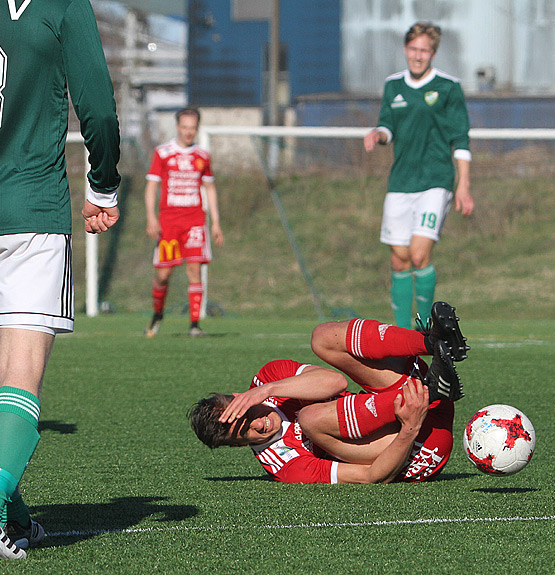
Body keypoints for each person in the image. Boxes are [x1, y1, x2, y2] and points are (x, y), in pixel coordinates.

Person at [0, 0, 121, 559]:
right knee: (19, 374)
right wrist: (103, 185)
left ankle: (12, 518)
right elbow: (96, 104)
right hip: (29, 211)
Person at [189, 302, 469, 483]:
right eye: (245, 432)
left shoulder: (268, 379)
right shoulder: (285, 464)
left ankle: (432, 342)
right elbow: (372, 475)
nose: (259, 423)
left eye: (248, 414)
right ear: (240, 445)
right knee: (310, 418)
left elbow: (335, 382)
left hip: (415, 397)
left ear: (240, 397)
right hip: (417, 447)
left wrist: (267, 389)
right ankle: (431, 392)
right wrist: (409, 428)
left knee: (323, 337)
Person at [363, 22, 475, 327]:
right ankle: (400, 335)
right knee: (398, 259)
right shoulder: (393, 86)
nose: (418, 55)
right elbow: (388, 126)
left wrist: (463, 185)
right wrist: (378, 134)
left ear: (433, 53)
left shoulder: (448, 87)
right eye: (413, 48)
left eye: (424, 50)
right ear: (405, 49)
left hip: (435, 181)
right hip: (401, 183)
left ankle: (424, 329)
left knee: (418, 255)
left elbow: (461, 140)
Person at [144, 107, 223, 338]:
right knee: (163, 275)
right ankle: (158, 313)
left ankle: (195, 325)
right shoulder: (163, 153)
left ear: (197, 129)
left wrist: (216, 222)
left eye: (193, 128)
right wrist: (151, 217)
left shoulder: (202, 156)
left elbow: (209, 187)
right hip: (168, 223)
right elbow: (152, 186)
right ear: (178, 127)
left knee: (194, 269)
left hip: (195, 221)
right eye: (185, 127)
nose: (189, 132)